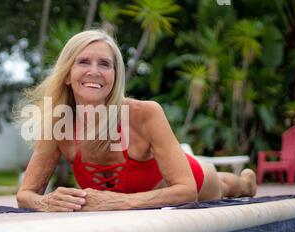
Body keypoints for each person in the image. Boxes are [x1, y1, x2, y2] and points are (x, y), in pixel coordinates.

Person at [15, 29, 257, 212]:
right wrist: (46, 202)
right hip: (147, 187)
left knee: (224, 187)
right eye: (83, 62)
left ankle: (246, 183)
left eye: (105, 64)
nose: (95, 71)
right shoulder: (59, 122)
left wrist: (116, 202)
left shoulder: (145, 113)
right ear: (67, 75)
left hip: (193, 178)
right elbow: (26, 193)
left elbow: (187, 191)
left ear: (114, 76)